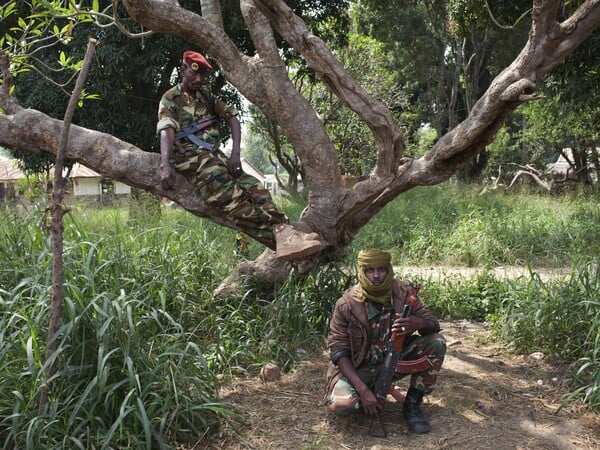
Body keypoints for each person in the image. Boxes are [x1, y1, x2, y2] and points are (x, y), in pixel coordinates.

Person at [157, 50, 321, 260]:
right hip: (190, 160)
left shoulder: (206, 95)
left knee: (256, 188)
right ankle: (283, 235)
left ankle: (288, 232)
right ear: (183, 70)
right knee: (234, 198)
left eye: (202, 75)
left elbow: (232, 116)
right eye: (194, 73)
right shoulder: (171, 98)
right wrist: (165, 165)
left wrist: (235, 155)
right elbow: (166, 129)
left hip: (215, 155)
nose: (198, 79)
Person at [325, 248, 446, 434]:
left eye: (381, 269)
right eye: (370, 270)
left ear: (388, 269)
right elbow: (338, 352)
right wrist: (363, 391)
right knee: (342, 406)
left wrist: (417, 323)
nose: (376, 275)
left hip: (395, 360)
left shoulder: (403, 293)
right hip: (360, 367)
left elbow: (432, 324)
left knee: (437, 342)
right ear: (362, 271)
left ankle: (412, 404)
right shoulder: (347, 304)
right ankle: (367, 396)